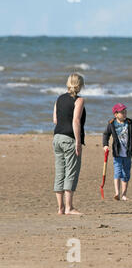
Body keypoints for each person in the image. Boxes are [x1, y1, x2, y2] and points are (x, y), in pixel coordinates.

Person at [52, 72, 86, 215]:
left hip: (57, 137)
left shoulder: (59, 99)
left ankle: (60, 208)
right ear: (80, 85)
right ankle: (69, 207)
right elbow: (76, 121)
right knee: (71, 172)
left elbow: (55, 120)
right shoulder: (78, 100)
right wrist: (78, 141)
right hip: (69, 138)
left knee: (60, 172)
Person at [103, 103, 132, 201]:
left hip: (128, 153)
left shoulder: (129, 122)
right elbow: (106, 134)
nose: (124, 114)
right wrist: (105, 145)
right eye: (122, 112)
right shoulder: (112, 123)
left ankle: (124, 194)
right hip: (117, 153)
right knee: (117, 172)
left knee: (126, 174)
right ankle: (117, 192)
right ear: (115, 114)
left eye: (125, 112)